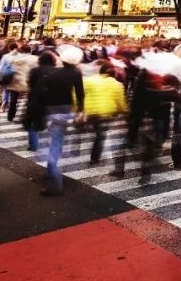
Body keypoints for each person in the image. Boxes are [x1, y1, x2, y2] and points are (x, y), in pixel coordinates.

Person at [35, 44, 86, 196]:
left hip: (51, 109)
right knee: (56, 141)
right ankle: (51, 172)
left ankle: (55, 183)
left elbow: (42, 93)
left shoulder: (52, 73)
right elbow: (80, 93)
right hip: (66, 108)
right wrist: (80, 110)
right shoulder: (76, 74)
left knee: (51, 144)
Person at [82, 59, 128, 164]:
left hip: (90, 111)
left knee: (93, 128)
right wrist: (123, 111)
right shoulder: (117, 84)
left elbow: (78, 95)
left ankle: (83, 127)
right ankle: (94, 158)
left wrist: (78, 109)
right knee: (100, 136)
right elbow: (120, 102)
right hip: (105, 113)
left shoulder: (88, 80)